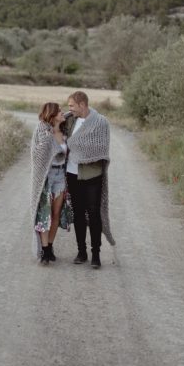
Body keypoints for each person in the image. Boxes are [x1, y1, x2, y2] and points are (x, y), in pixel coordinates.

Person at [63, 91, 115, 268]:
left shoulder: (101, 122)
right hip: (72, 173)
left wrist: (80, 150)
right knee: (77, 214)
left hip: (92, 175)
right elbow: (52, 129)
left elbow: (100, 148)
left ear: (82, 104)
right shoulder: (69, 120)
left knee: (93, 214)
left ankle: (96, 254)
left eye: (71, 105)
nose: (69, 108)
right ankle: (81, 251)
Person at [30, 101, 73, 264]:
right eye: (59, 111)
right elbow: (37, 154)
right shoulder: (42, 130)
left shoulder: (64, 130)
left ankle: (49, 247)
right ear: (52, 115)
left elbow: (77, 114)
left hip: (61, 176)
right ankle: (45, 250)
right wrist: (49, 138)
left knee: (56, 214)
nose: (63, 112)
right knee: (44, 214)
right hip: (46, 178)